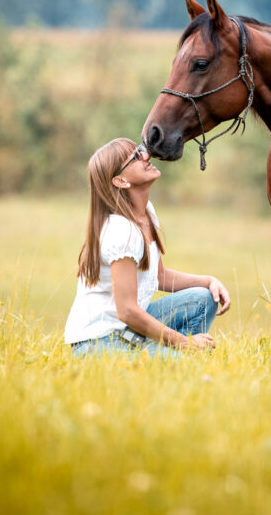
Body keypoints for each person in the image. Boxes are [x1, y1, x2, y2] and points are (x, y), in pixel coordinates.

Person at [64, 137, 231, 357]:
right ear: (120, 181)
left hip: (129, 329)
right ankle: (180, 352)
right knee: (180, 363)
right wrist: (183, 342)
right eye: (135, 157)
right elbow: (127, 311)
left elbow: (158, 276)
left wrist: (208, 281)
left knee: (205, 298)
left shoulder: (146, 212)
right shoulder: (121, 230)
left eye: (139, 150)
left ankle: (171, 351)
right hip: (99, 340)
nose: (146, 155)